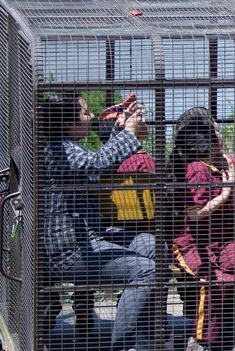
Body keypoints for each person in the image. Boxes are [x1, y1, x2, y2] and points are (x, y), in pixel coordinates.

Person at [40, 93, 156, 351]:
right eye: (85, 112)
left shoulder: (68, 146)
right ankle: (123, 346)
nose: (92, 116)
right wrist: (128, 132)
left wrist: (120, 128)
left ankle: (144, 329)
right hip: (71, 252)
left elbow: (97, 163)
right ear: (67, 123)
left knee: (155, 247)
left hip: (93, 237)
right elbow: (96, 163)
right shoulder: (57, 149)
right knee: (146, 270)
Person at [167, 107, 235, 351]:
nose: (220, 134)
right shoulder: (195, 168)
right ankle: (201, 340)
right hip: (193, 242)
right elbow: (194, 214)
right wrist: (223, 195)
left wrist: (232, 174)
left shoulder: (221, 164)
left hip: (223, 240)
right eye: (215, 130)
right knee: (212, 278)